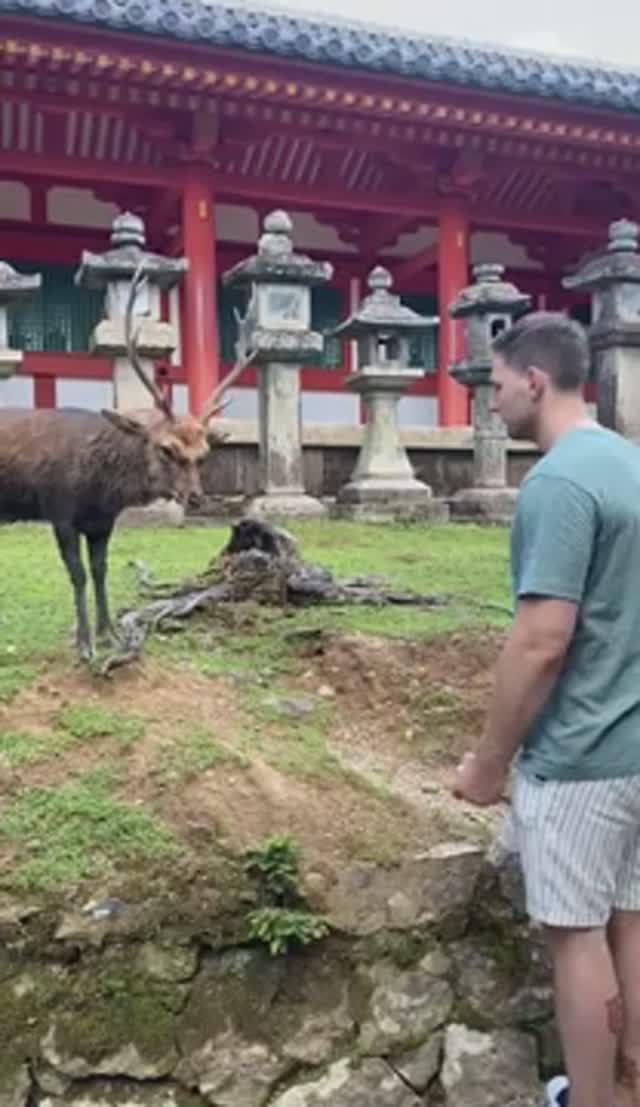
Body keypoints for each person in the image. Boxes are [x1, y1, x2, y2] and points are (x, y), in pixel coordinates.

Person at [451, 311, 640, 1107]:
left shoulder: (558, 483)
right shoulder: (630, 464)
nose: (489, 403)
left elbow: (541, 639)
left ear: (534, 380)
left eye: (494, 386)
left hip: (582, 755)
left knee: (575, 937)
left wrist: (488, 763)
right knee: (633, 922)